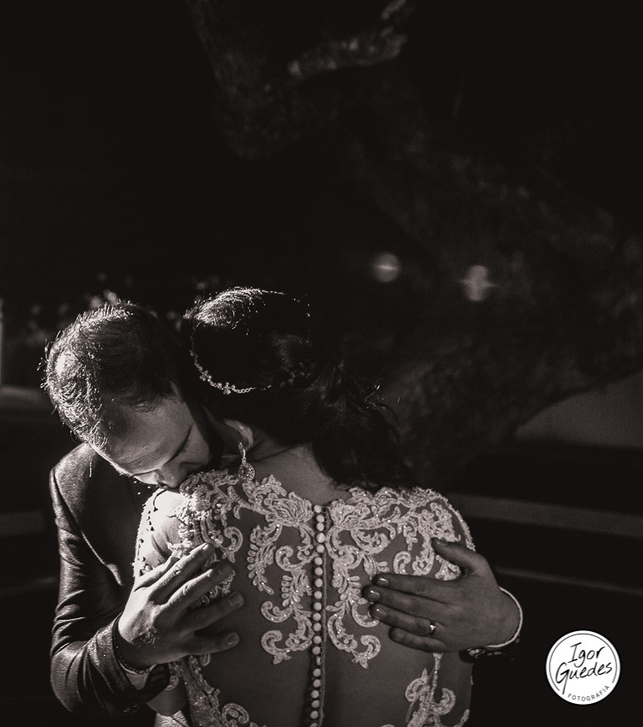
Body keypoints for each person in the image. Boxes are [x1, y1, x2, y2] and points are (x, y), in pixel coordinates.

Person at [43, 297, 521, 724]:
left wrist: (504, 624)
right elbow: (70, 671)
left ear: (194, 389)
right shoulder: (84, 485)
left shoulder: (331, 443)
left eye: (179, 449)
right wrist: (126, 648)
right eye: (139, 474)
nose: (170, 480)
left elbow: (448, 619)